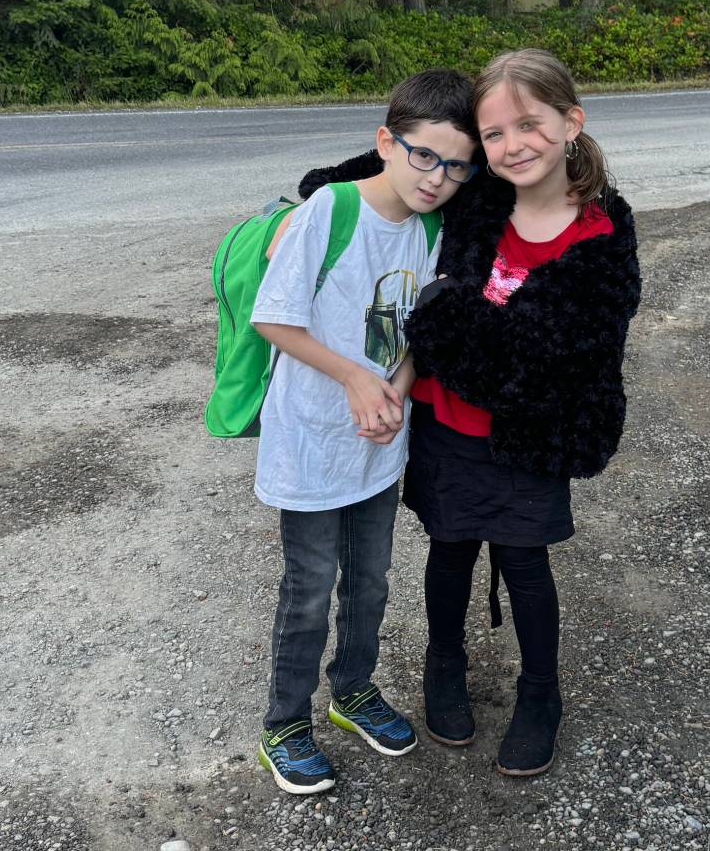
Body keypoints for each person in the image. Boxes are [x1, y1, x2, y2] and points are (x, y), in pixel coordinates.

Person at [301, 49, 642, 778]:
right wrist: (308, 201)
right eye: (493, 134)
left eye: (530, 125)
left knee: (524, 562)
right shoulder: (478, 192)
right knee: (450, 548)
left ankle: (540, 694)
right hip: (446, 424)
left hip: (529, 435)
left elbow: (543, 361)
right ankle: (444, 663)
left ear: (571, 123)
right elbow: (398, 162)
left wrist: (441, 317)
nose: (512, 145)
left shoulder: (601, 237)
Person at [251, 69, 478, 795]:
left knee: (372, 579)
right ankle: (286, 723)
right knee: (310, 586)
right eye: (424, 156)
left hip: (377, 444)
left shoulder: (433, 230)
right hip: (312, 441)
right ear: (386, 142)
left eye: (456, 166)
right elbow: (274, 317)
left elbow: (420, 333)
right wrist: (355, 379)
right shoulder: (332, 210)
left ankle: (352, 691)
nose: (437, 179)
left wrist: (396, 391)